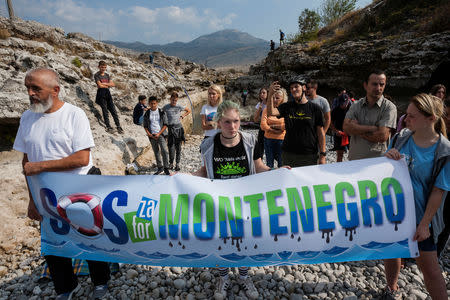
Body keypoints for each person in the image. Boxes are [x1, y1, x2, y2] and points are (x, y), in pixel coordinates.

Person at [13, 68, 110, 300]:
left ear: (55, 90)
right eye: (28, 87)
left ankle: (100, 282)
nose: (30, 93)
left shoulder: (74, 115)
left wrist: (41, 167)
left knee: (91, 238)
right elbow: (26, 161)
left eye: (36, 88)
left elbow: (81, 159)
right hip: (46, 194)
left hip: (80, 191)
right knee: (53, 244)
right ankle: (66, 287)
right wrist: (32, 199)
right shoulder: (27, 118)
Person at [193, 101, 278, 300]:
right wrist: (182, 177)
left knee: (244, 240)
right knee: (222, 240)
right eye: (227, 122)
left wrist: (277, 172)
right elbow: (204, 172)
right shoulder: (208, 144)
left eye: (236, 121)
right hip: (219, 202)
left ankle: (244, 276)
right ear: (219, 122)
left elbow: (258, 167)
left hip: (244, 203)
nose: (232, 126)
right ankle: (223, 277)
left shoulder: (250, 141)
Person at [381, 93, 449, 300]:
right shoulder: (400, 138)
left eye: (412, 116)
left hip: (421, 219)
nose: (406, 119)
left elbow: (439, 191)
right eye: (406, 114)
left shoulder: (444, 150)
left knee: (429, 268)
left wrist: (424, 225)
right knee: (392, 252)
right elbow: (385, 173)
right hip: (395, 213)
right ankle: (391, 288)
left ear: (431, 119)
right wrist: (388, 157)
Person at [267, 76, 326, 167]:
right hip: (289, 154)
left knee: (308, 181)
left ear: (304, 88)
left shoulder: (315, 109)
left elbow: (320, 133)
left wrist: (323, 155)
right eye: (291, 88)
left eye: (296, 86)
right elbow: (271, 112)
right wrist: (270, 94)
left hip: (309, 155)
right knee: (288, 181)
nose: (293, 89)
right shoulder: (287, 106)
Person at [343, 70, 397, 160]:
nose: (378, 88)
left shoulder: (389, 108)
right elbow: (346, 128)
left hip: (377, 163)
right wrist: (372, 128)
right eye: (374, 84)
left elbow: (382, 135)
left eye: (382, 84)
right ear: (365, 85)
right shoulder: (356, 105)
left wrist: (356, 128)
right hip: (354, 161)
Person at [162, 92, 191, 171]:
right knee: (171, 147)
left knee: (178, 147)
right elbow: (160, 114)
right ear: (170, 99)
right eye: (173, 100)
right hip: (170, 129)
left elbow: (188, 110)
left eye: (175, 100)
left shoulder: (179, 106)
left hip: (179, 129)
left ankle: (177, 164)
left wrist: (182, 116)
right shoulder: (166, 107)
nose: (174, 102)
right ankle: (171, 163)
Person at [94, 61, 123, 134]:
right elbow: (99, 86)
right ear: (99, 67)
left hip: (108, 93)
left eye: (104, 67)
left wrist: (105, 83)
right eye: (102, 67)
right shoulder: (96, 75)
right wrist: (107, 85)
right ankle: (108, 126)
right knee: (105, 110)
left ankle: (118, 126)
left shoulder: (107, 75)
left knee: (113, 110)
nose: (103, 68)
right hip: (101, 93)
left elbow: (113, 84)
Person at [260, 88, 287, 168]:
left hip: (282, 140)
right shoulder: (267, 109)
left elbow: (286, 126)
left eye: (277, 98)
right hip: (268, 140)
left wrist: (271, 126)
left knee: (281, 163)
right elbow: (262, 125)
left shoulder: (286, 110)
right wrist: (276, 129)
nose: (275, 100)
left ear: (283, 99)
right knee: (269, 164)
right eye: (273, 98)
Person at [143, 96, 170, 175]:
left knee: (164, 151)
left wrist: (159, 133)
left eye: (154, 103)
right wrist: (149, 135)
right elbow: (145, 126)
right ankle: (160, 167)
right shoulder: (147, 113)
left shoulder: (161, 112)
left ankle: (166, 168)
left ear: (157, 103)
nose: (153, 105)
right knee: (156, 152)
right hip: (152, 135)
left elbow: (165, 124)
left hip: (160, 134)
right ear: (149, 104)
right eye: (151, 104)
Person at [330, 93, 351, 162]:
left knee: (353, 154)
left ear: (348, 101)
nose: (343, 105)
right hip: (339, 134)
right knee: (339, 154)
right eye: (341, 103)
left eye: (345, 103)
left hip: (351, 134)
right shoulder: (336, 110)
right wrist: (335, 131)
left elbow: (358, 121)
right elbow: (330, 122)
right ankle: (338, 169)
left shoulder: (352, 109)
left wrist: (352, 130)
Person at [253, 88, 268, 159]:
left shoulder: (271, 104)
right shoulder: (259, 104)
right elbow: (255, 119)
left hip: (270, 128)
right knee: (260, 147)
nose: (261, 95)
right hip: (262, 128)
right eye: (260, 93)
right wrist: (259, 108)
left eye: (264, 93)